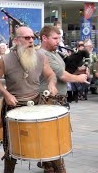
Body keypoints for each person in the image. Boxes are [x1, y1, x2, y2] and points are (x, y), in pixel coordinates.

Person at [0, 26, 58, 173]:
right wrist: (6, 94)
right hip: (14, 107)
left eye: (33, 37)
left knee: (49, 145)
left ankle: (50, 168)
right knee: (11, 151)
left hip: (36, 105)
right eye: (27, 38)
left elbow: (51, 74)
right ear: (16, 40)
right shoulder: (5, 60)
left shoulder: (40, 56)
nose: (31, 40)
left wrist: (52, 84)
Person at [37, 25, 88, 173]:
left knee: (54, 136)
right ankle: (53, 167)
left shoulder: (55, 53)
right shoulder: (42, 54)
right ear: (44, 38)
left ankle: (48, 165)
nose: (58, 41)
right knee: (53, 138)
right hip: (48, 100)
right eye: (55, 38)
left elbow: (64, 70)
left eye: (59, 38)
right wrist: (79, 78)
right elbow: (63, 76)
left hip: (58, 100)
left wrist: (80, 70)